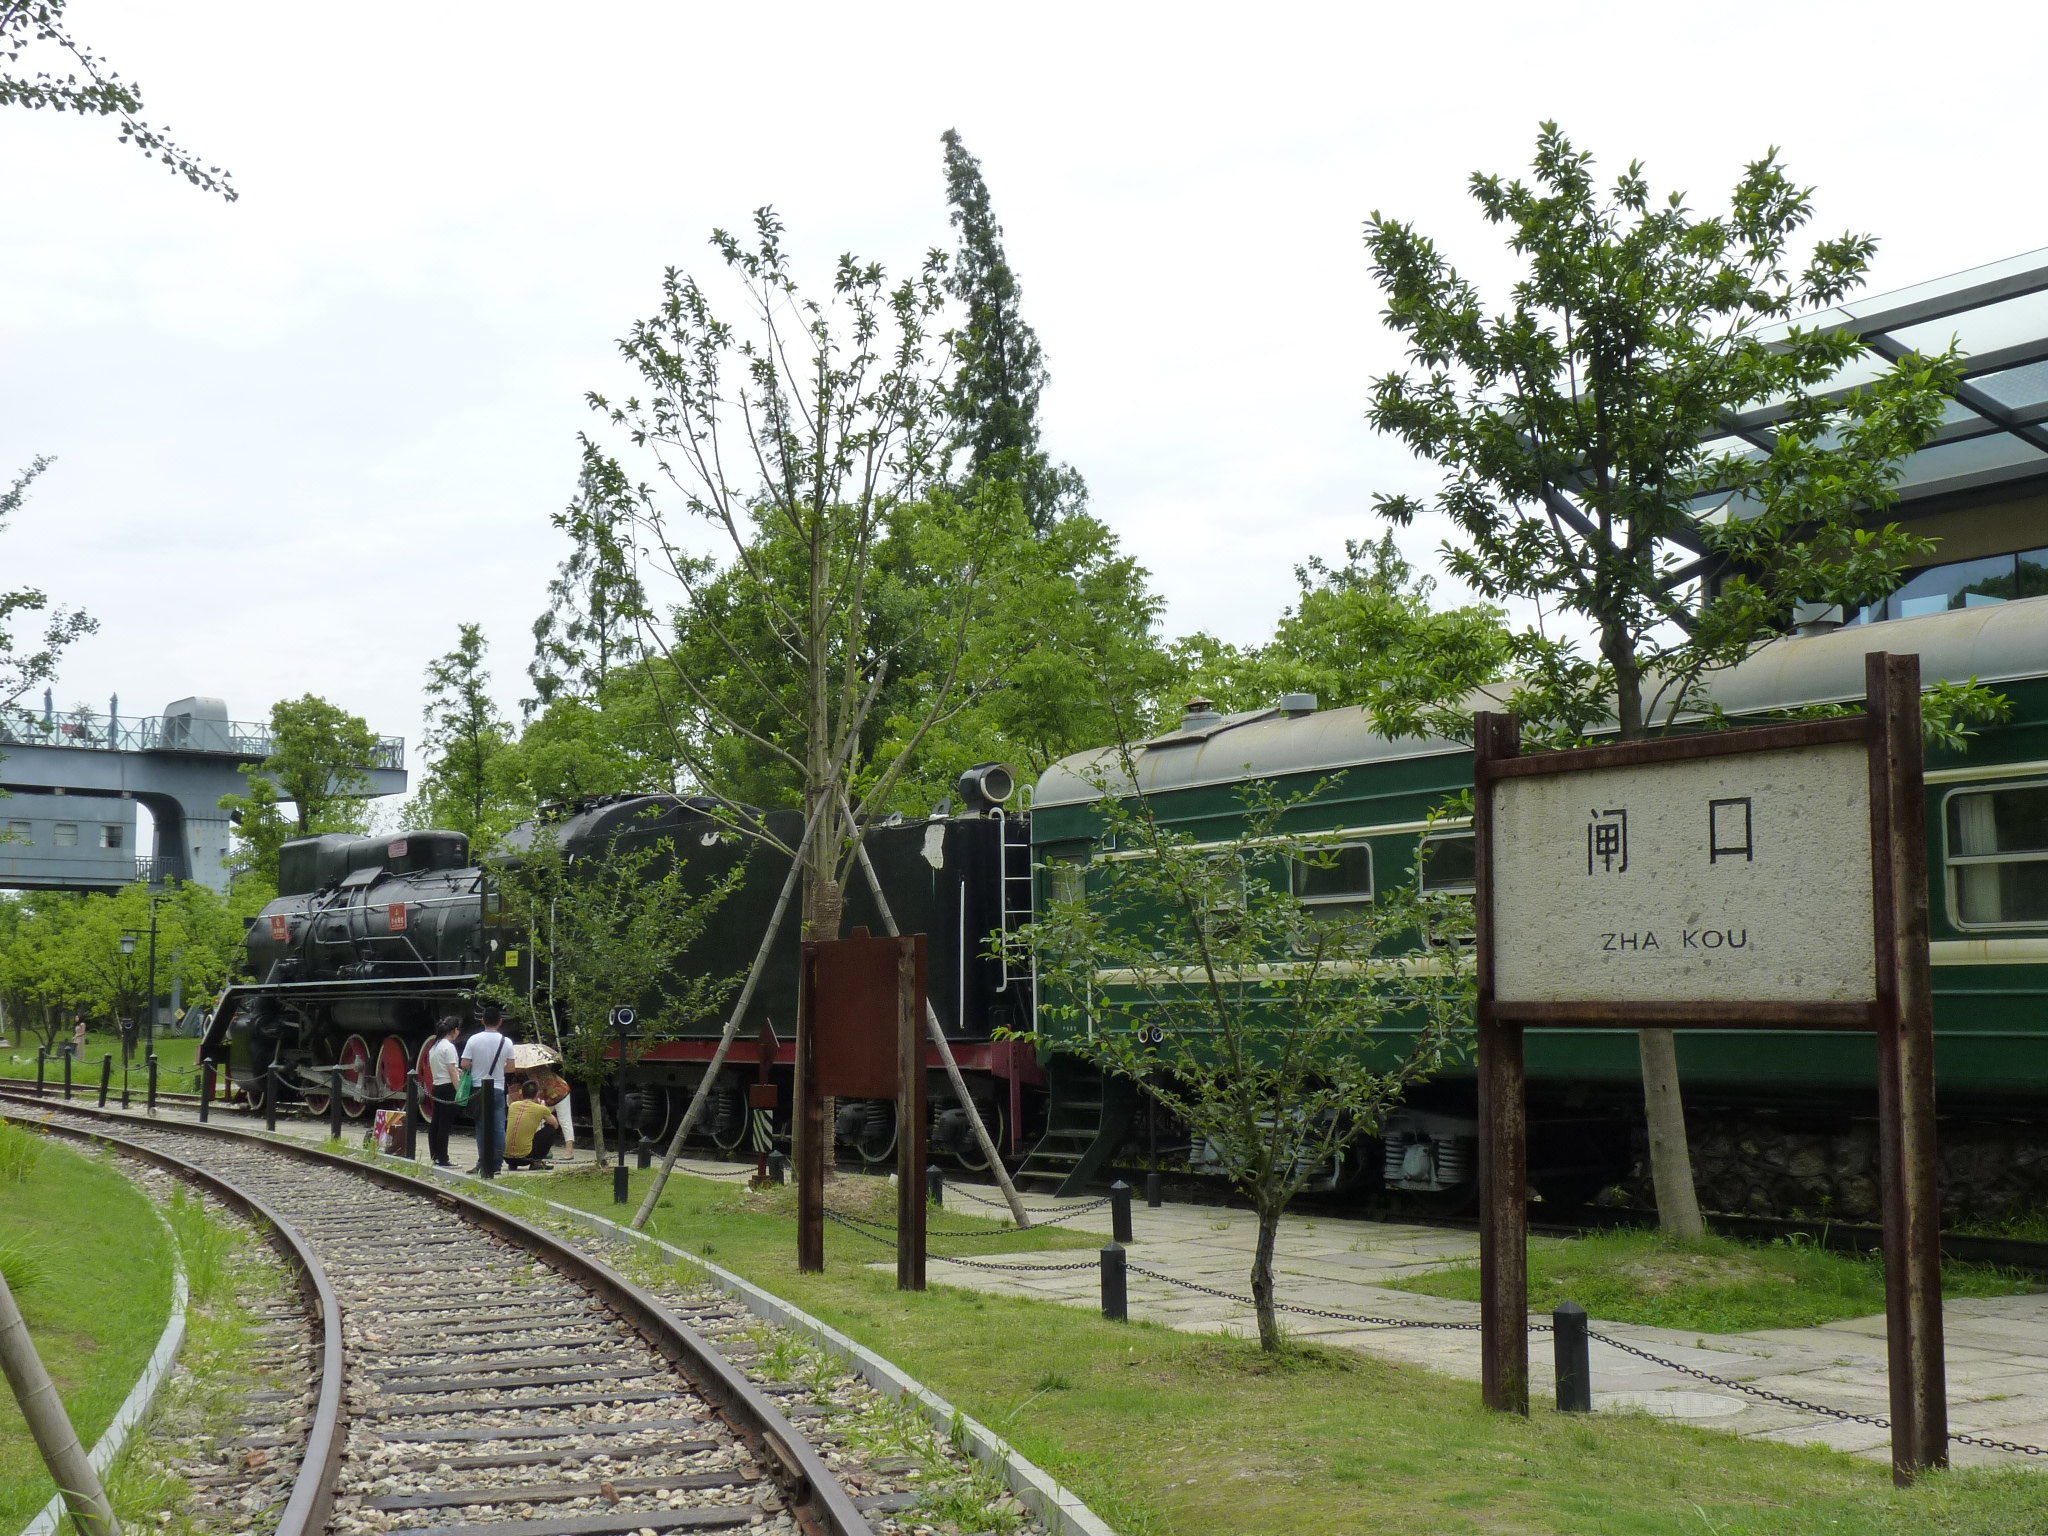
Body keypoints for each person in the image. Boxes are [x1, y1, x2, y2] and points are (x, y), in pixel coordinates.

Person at [460, 1003, 513, 1177]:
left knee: (481, 1127)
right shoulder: (507, 1041)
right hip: (497, 1087)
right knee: (498, 1127)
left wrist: (477, 1067)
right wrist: (498, 1068)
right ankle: (496, 1164)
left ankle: (483, 1162)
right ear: (500, 1022)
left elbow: (464, 1064)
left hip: (477, 1087)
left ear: (482, 1020)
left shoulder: (473, 1039)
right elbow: (511, 1068)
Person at [425, 1017, 462, 1167]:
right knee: (444, 1125)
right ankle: (443, 1158)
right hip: (448, 1087)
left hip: (437, 1086)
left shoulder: (434, 1047)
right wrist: (459, 1090)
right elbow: (452, 1070)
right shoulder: (449, 1047)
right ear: (454, 1031)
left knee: (436, 1123)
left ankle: (434, 1155)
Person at [503, 1079, 562, 1169]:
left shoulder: (513, 1106)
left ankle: (513, 1165)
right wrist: (544, 1108)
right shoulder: (540, 1109)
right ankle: (536, 1162)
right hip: (525, 1158)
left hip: (507, 1158)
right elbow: (555, 1124)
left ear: (521, 1093)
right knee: (551, 1129)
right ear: (537, 1094)